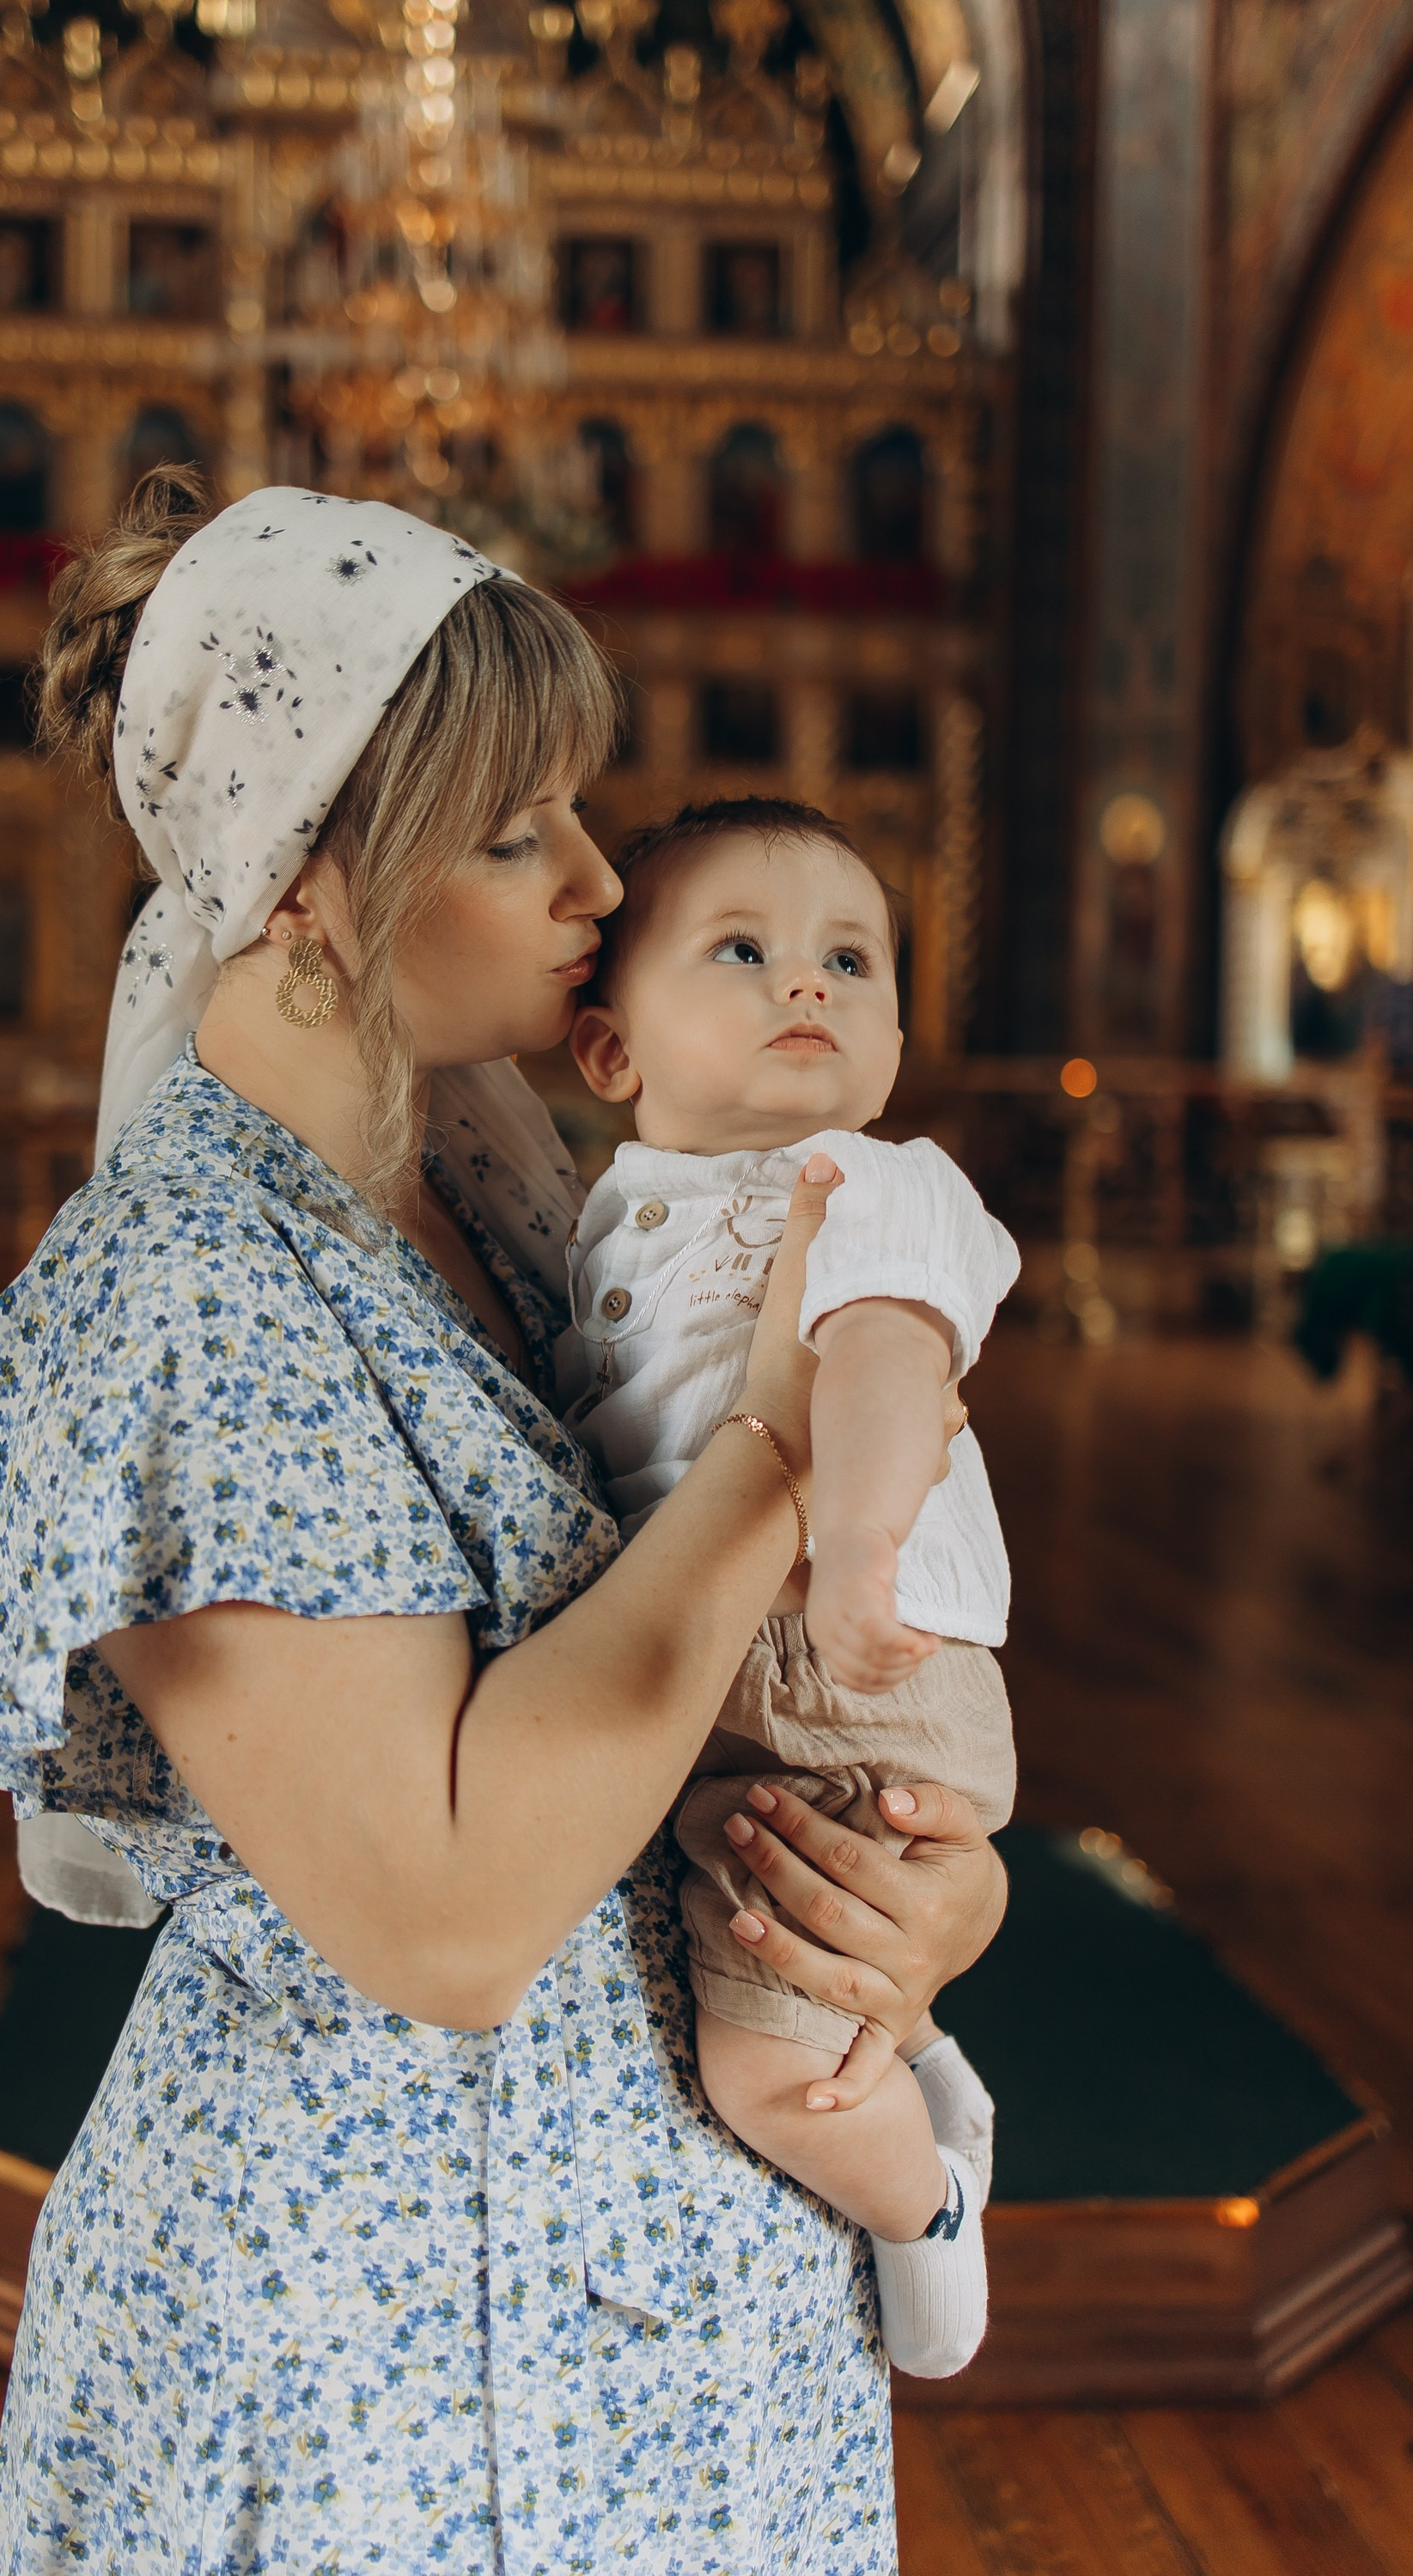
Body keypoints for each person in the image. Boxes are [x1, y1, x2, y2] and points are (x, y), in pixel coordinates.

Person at [0, 472, 1007, 2575]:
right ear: (308, 877)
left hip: (686, 2320)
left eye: (575, 809)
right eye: (512, 833)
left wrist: (907, 1912)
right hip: (386, 2354)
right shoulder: (182, 1289)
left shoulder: (494, 1193)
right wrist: (782, 1438)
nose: (599, 878)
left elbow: (700, 1706)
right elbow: (453, 1917)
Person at [560, 796, 1018, 2373]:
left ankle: (927, 2208)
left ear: (890, 1045)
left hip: (839, 1661)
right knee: (765, 1938)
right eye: (743, 951)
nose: (807, 982)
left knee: (765, 2071)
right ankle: (921, 2059)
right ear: (610, 1050)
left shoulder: (870, 1183)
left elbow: (886, 1364)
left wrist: (861, 1554)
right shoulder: (620, 1202)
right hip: (729, 1657)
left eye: (852, 961)